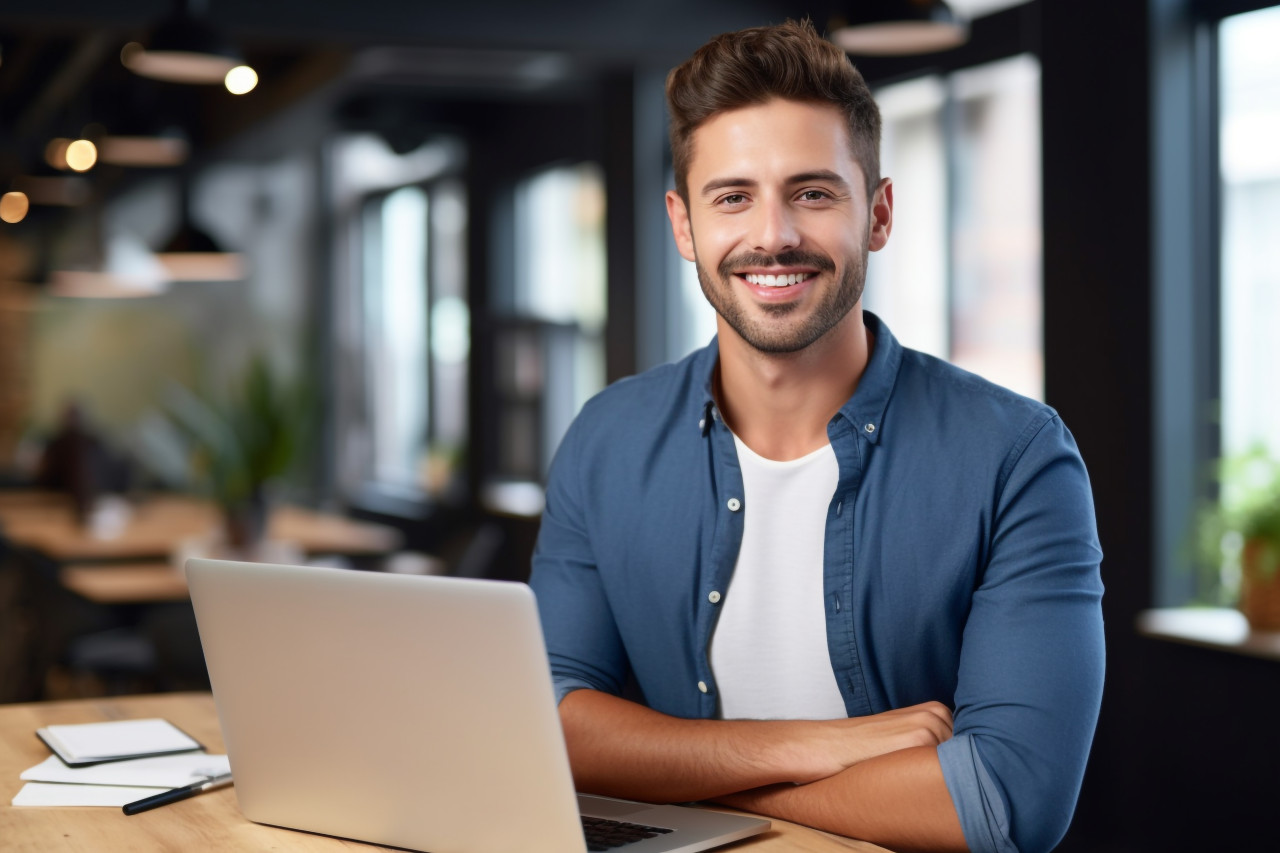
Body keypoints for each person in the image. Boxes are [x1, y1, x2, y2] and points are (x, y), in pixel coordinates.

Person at [528, 19, 1104, 853]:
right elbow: (547, 716)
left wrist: (693, 782)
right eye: (732, 196)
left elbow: (1006, 799)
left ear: (877, 212)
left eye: (813, 192)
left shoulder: (1017, 458)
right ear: (684, 225)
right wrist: (807, 745)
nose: (774, 236)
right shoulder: (605, 439)